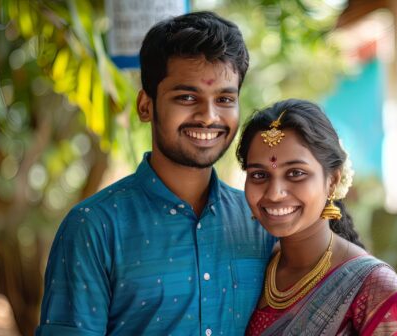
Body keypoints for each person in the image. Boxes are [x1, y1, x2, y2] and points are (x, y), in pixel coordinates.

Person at [36, 11, 275, 335]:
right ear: (145, 105)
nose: (208, 116)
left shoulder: (260, 222)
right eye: (187, 97)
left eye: (224, 98)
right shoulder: (94, 229)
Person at [236, 99, 397, 335]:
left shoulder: (375, 293)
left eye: (296, 173)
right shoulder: (253, 268)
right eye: (259, 175)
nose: (274, 193)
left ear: (332, 181)